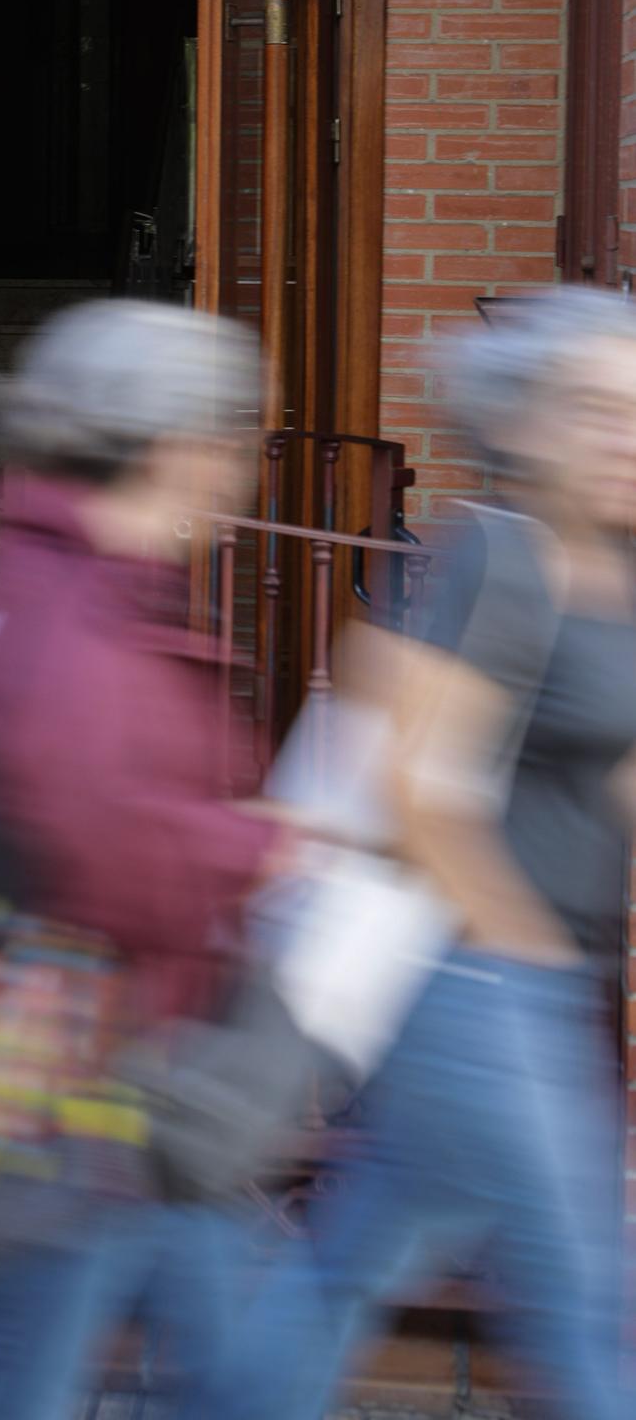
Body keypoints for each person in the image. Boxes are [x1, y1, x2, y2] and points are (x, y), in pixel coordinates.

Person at [223, 285, 636, 1420]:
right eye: (594, 407)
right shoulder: (504, 559)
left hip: (523, 985)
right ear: (527, 420)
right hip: (478, 986)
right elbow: (416, 790)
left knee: (346, 1263)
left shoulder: (615, 568)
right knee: (589, 1302)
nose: (624, 436)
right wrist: (527, 962)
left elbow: (606, 764)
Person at [0, 298, 283, 1420]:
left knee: (232, 1364)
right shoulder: (71, 597)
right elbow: (93, 834)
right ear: (176, 446)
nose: (242, 471)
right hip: (69, 1086)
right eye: (236, 439)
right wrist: (260, 847)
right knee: (6, 1380)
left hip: (117, 1068)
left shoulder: (50, 564)